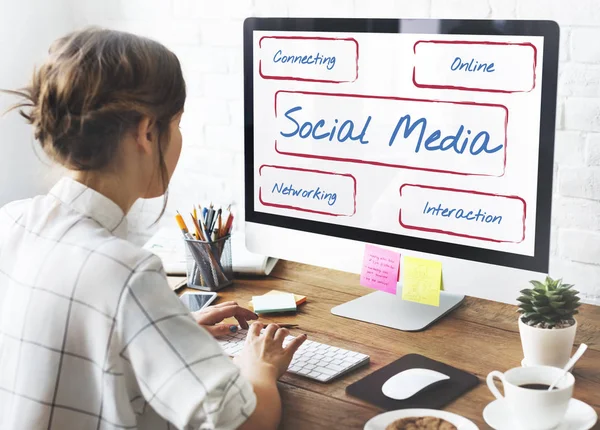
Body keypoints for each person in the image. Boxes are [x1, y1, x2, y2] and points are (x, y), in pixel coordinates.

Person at [0, 27, 306, 430]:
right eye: (176, 124)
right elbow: (246, 422)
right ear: (146, 132)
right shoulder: (126, 272)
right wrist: (259, 366)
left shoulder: (11, 221)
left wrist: (164, 329)